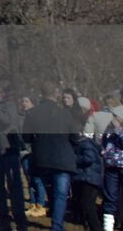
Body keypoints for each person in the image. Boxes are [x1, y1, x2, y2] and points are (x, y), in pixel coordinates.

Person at [23, 84, 79, 231]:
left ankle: (55, 218)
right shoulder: (64, 113)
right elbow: (74, 136)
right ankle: (57, 225)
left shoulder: (32, 113)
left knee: (50, 190)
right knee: (61, 193)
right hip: (62, 157)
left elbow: (26, 137)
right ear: (56, 94)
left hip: (42, 157)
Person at [0, 85, 28, 231]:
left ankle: (20, 222)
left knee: (14, 186)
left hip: (8, 149)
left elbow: (7, 120)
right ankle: (3, 221)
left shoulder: (9, 104)